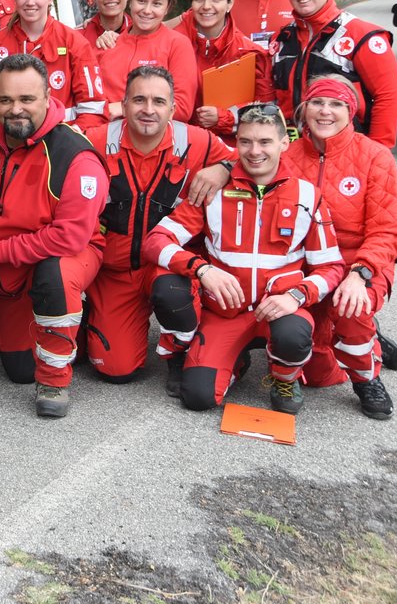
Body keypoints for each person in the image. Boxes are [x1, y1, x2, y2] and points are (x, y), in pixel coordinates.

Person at [144, 105, 344, 415]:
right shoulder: (213, 190)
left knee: (293, 336)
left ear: (283, 143)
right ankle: (236, 361)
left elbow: (331, 267)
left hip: (279, 309)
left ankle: (284, 378)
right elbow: (156, 241)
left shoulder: (308, 195)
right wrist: (202, 268)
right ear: (235, 144)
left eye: (265, 142)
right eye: (246, 142)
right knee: (198, 398)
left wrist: (296, 296)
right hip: (225, 313)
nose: (254, 151)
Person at [0, 54, 108, 417]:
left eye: (27, 100)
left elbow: (70, 238)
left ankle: (54, 379)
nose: (15, 109)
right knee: (18, 369)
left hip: (51, 261)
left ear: (48, 98)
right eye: (5, 100)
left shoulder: (75, 155)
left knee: (56, 273)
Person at [82, 66, 233, 386]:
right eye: (139, 100)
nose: (148, 110)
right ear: (122, 107)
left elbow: (259, 159)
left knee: (171, 292)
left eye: (158, 102)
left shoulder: (199, 141)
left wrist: (225, 167)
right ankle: (90, 319)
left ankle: (179, 350)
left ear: (173, 109)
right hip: (115, 272)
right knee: (114, 368)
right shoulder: (95, 141)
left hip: (169, 266)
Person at [280, 75, 397, 418]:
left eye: (336, 104)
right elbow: (245, 162)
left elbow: (388, 231)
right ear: (303, 110)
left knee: (351, 307)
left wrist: (360, 274)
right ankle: (371, 343)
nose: (325, 112)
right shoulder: (285, 156)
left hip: (359, 264)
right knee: (317, 376)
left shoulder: (375, 157)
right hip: (311, 267)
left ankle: (367, 378)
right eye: (318, 103)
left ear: (351, 111)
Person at [270, 0, 397, 148]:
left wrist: (377, 153)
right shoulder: (281, 39)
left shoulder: (362, 36)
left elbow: (389, 95)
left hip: (348, 151)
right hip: (291, 153)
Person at [0, 0, 106, 129]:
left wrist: (74, 136)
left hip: (59, 143)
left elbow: (93, 108)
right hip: (10, 141)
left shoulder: (73, 42)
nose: (30, 2)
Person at [175, 0, 276, 142]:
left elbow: (266, 110)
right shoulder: (171, 42)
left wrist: (223, 118)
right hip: (179, 143)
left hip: (231, 149)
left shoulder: (250, 53)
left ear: (230, 3)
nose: (206, 6)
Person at [97, 0, 199, 122]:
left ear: (167, 8)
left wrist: (123, 108)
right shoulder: (107, 44)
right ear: (130, 0)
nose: (147, 10)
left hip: (155, 140)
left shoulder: (177, 44)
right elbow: (88, 101)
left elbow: (182, 108)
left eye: (157, 4)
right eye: (141, 1)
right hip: (105, 138)